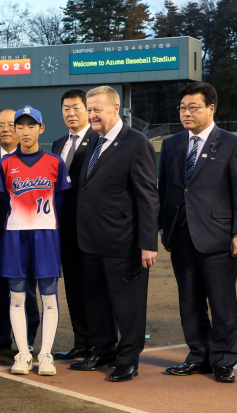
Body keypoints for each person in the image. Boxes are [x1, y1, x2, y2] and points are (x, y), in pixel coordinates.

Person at [158, 83, 237, 384]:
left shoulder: (233, 144)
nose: (186, 112)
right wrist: (165, 230)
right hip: (182, 235)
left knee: (222, 301)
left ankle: (224, 360)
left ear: (211, 108)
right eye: (183, 107)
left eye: (194, 107)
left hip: (219, 236)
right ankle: (197, 355)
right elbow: (166, 190)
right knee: (189, 300)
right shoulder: (172, 144)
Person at [70, 86, 159, 382]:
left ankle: (128, 359)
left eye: (97, 109)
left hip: (124, 242)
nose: (92, 115)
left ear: (115, 107)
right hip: (90, 241)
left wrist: (148, 244)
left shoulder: (137, 142)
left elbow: (148, 196)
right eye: (89, 109)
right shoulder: (94, 140)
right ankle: (103, 349)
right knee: (96, 301)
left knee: (128, 306)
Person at [0, 106, 71, 376]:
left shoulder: (55, 162)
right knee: (17, 297)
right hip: (14, 235)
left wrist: (42, 222)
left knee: (49, 297)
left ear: (41, 129)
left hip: (46, 235)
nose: (25, 131)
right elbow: (4, 203)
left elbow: (60, 201)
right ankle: (23, 353)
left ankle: (45, 353)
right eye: (20, 126)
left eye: (31, 126)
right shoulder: (5, 164)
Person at [0, 108, 40, 355]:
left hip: (24, 234)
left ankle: (26, 339)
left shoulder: (34, 158)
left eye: (10, 124)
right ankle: (0, 336)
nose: (5, 129)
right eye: (0, 125)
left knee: (25, 288)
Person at [50, 90, 93, 360]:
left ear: (88, 109)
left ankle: (101, 344)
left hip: (90, 228)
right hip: (63, 229)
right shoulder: (57, 144)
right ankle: (82, 342)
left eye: (76, 107)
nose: (70, 113)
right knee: (74, 288)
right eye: (66, 108)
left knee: (93, 288)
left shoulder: (100, 140)